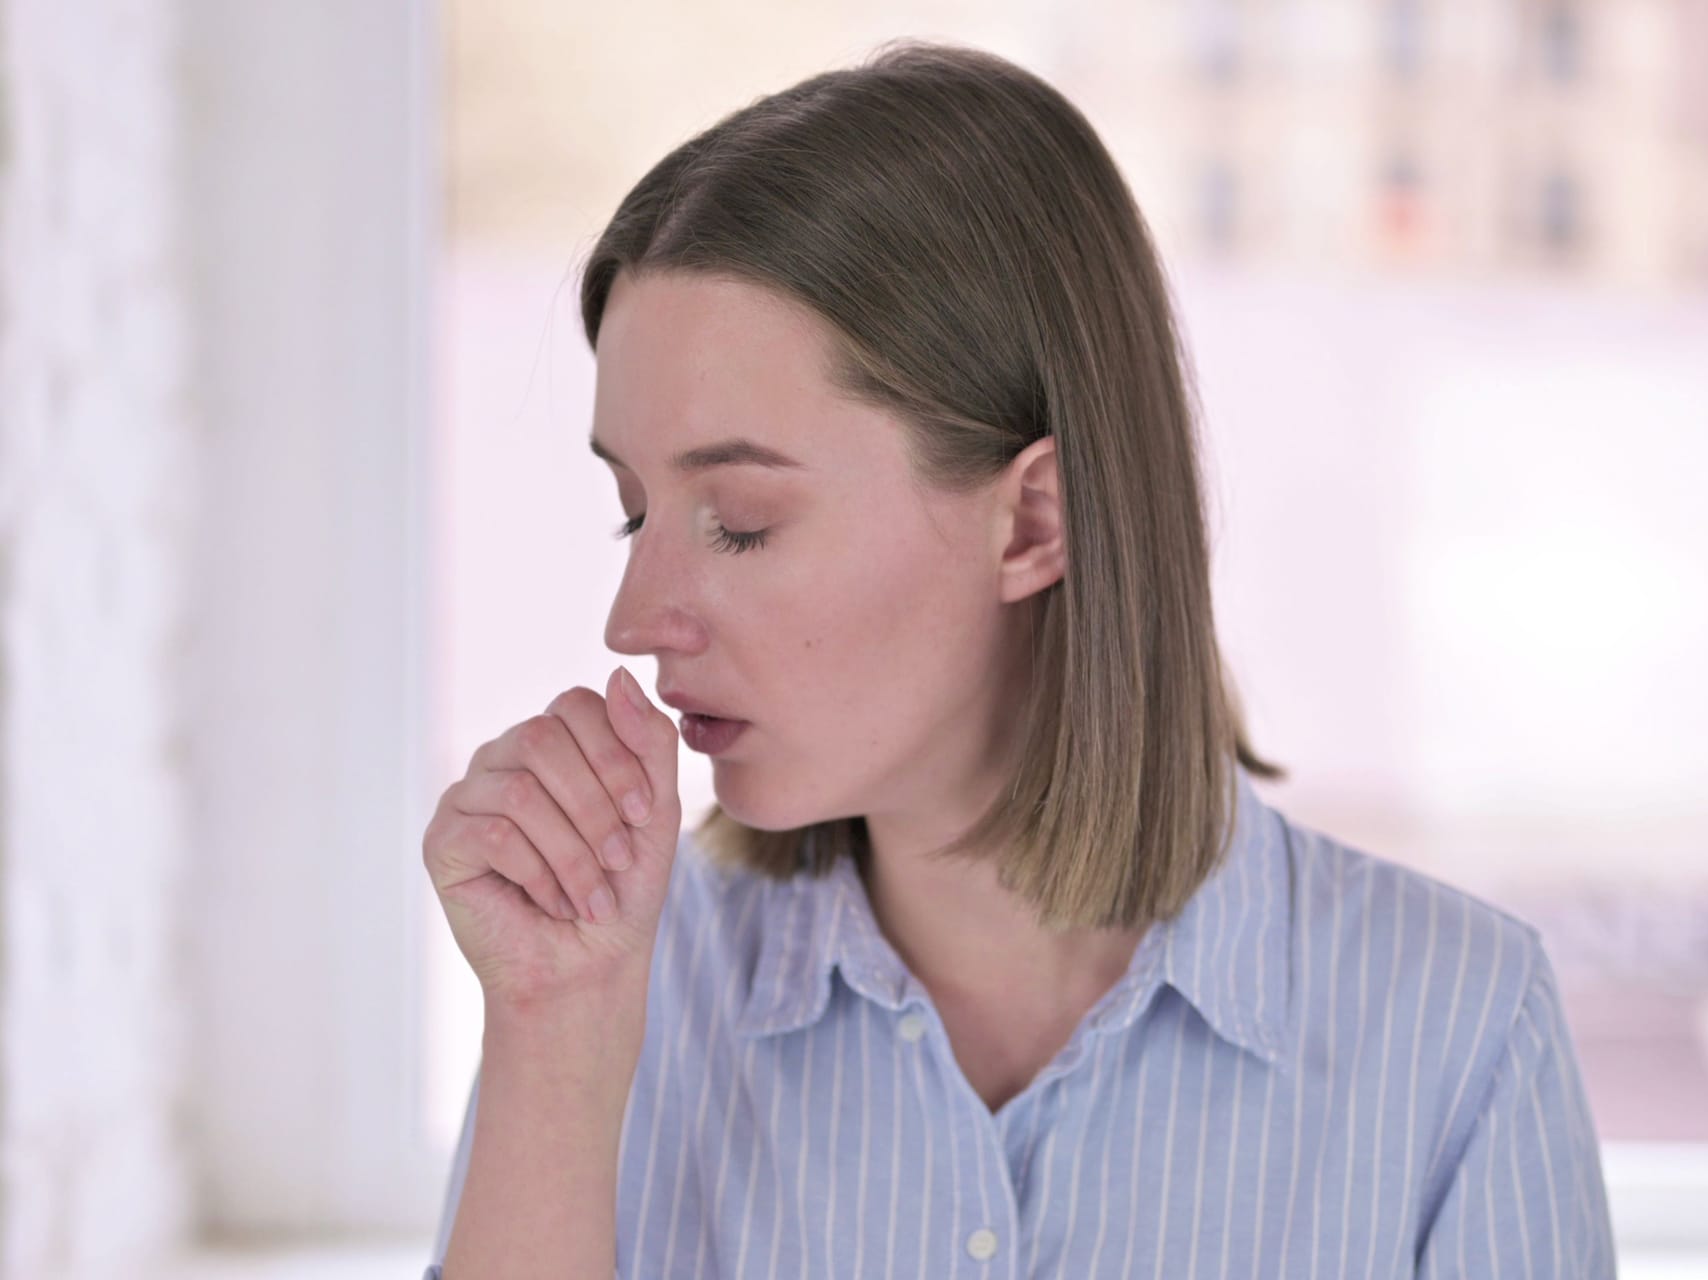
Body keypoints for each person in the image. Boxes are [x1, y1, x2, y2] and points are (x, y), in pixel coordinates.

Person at [419, 38, 1616, 1279]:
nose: (638, 611)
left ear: (1034, 520)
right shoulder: (609, 995)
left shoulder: (1459, 1032)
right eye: (634, 510)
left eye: (741, 519)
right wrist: (551, 1040)